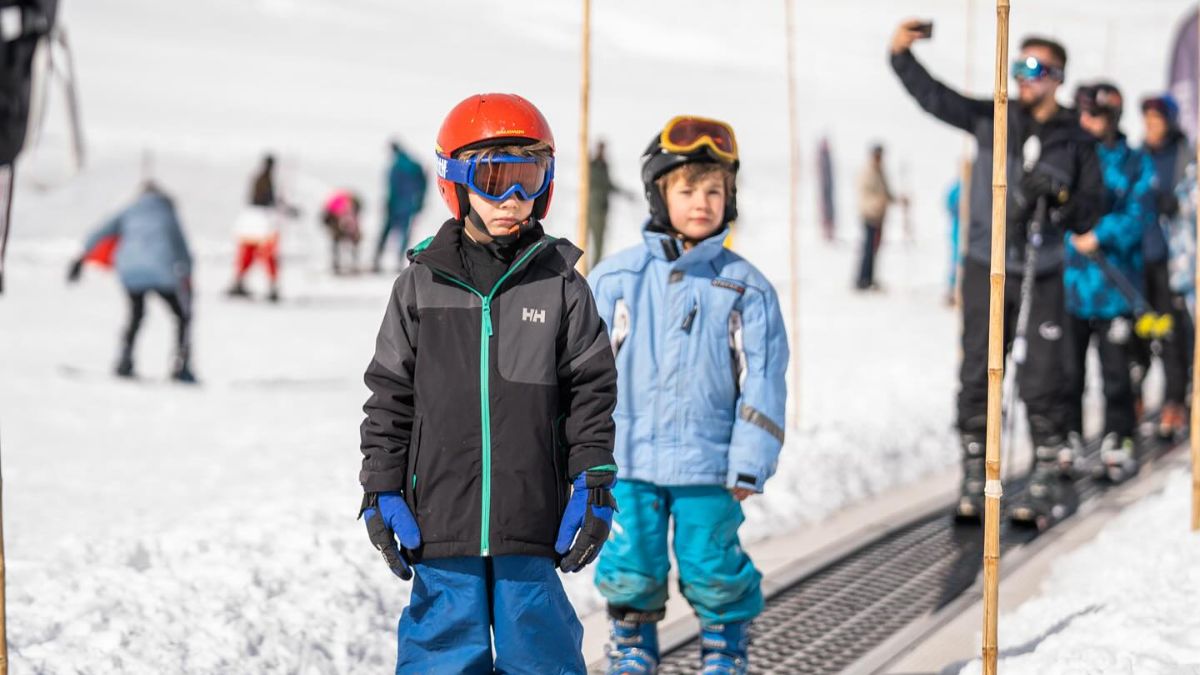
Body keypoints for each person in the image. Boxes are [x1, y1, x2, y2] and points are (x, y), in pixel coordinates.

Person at [357, 93, 619, 674]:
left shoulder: (560, 284)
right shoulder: (420, 285)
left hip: (533, 514)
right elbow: (389, 394)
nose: (513, 200)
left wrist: (593, 483)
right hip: (440, 515)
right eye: (494, 179)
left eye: (528, 179)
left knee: (540, 649)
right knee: (442, 650)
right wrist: (380, 487)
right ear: (456, 181)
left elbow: (591, 392)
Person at [589, 115, 788, 675]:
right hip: (627, 460)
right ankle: (631, 642)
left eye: (714, 190)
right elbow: (582, 376)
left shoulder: (747, 287)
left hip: (711, 462)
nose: (701, 202)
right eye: (686, 189)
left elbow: (765, 378)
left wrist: (751, 459)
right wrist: (579, 451)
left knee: (712, 562)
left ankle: (725, 644)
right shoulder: (616, 280)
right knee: (631, 560)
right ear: (658, 193)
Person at [891, 21, 1104, 521]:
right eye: (1019, 67)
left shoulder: (1073, 138)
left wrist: (1063, 200)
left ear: (1057, 77)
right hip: (986, 265)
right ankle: (975, 470)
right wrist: (900, 55)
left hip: (1041, 269)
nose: (1025, 78)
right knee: (979, 368)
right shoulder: (994, 116)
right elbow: (933, 97)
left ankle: (1046, 469)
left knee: (1043, 373)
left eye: (1036, 69)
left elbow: (1093, 205)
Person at [1063, 83, 1154, 481]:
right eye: (1082, 112)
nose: (1087, 121)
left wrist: (1101, 234)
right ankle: (1069, 436)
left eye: (1095, 114)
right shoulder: (1072, 154)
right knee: (1068, 370)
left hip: (1115, 287)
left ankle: (1119, 436)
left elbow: (1140, 213)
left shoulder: (1134, 162)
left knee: (1116, 370)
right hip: (1074, 287)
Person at [67, 182, 195, 382]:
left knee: (136, 315)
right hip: (162, 270)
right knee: (181, 316)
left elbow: (98, 232)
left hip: (130, 270)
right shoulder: (167, 212)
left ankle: (125, 360)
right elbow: (181, 246)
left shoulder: (130, 209)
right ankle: (181, 364)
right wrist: (187, 274)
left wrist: (79, 259)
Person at [1137, 94, 1194, 437]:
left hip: (1172, 261)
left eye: (1157, 121)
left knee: (1171, 332)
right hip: (1138, 256)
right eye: (1147, 121)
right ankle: (1137, 395)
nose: (1151, 128)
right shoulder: (1140, 156)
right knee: (1141, 330)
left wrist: (1179, 203)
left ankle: (1175, 400)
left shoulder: (1184, 156)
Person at [228, 154, 295, 302]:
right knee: (268, 255)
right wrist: (288, 210)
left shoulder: (258, 178)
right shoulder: (268, 180)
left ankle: (239, 282)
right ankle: (271, 287)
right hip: (263, 220)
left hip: (250, 220)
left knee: (248, 252)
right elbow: (273, 201)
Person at [373, 141, 427, 273]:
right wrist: (419, 202)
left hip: (395, 204)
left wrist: (387, 203)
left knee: (386, 232)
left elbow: (391, 188)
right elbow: (423, 185)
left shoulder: (396, 166)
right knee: (404, 234)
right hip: (409, 205)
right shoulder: (415, 165)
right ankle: (399, 260)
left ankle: (377, 260)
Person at [856, 143, 897, 290]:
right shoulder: (867, 173)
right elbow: (864, 195)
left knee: (874, 249)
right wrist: (878, 202)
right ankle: (862, 279)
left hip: (879, 216)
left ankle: (870, 278)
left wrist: (896, 199)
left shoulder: (880, 172)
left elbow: (886, 193)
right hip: (870, 215)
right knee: (868, 248)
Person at [587, 139, 632, 268]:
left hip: (602, 209)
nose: (602, 151)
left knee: (599, 242)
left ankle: (595, 267)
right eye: (600, 148)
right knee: (591, 240)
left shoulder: (604, 165)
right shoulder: (592, 165)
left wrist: (625, 193)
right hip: (593, 208)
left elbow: (609, 185)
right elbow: (597, 184)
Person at [320, 188, 362, 275]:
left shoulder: (347, 203)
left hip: (335, 216)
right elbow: (346, 220)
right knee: (339, 238)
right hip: (333, 216)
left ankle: (344, 263)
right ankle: (338, 264)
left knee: (349, 238)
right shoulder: (344, 206)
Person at [946, 179, 963, 306]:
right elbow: (949, 204)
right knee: (956, 260)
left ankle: (960, 290)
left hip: (968, 232)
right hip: (958, 230)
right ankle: (953, 289)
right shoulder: (957, 188)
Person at [818, 136, 837, 241]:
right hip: (825, 188)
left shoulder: (827, 157)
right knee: (826, 208)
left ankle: (829, 232)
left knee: (830, 209)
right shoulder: (822, 157)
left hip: (829, 187)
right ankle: (826, 232)